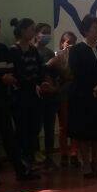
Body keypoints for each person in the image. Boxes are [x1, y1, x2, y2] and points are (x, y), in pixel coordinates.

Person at [0, 15, 35, 185]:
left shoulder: (2, 48)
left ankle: (20, 170)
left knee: (9, 136)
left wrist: (10, 78)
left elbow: (11, 69)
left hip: (4, 99)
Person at [67, 15, 97, 177]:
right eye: (95, 27)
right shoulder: (76, 50)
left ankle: (96, 162)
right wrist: (95, 86)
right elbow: (77, 72)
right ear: (86, 30)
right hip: (83, 96)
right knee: (84, 132)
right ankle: (86, 164)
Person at [10, 18, 44, 172]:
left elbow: (40, 69)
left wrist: (42, 82)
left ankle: (30, 160)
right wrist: (32, 83)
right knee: (22, 130)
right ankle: (22, 162)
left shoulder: (33, 50)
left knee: (34, 129)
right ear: (23, 30)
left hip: (34, 94)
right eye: (31, 29)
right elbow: (17, 73)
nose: (34, 32)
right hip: (20, 96)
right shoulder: (14, 50)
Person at [33, 22, 60, 167]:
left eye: (49, 32)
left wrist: (54, 88)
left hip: (51, 96)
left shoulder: (50, 53)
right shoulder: (31, 51)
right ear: (36, 33)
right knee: (35, 128)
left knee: (49, 127)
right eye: (44, 32)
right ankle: (37, 156)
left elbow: (55, 75)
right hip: (37, 96)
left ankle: (49, 156)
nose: (47, 35)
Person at [52, 31, 80, 167]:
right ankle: (64, 153)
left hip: (76, 92)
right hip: (63, 93)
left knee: (75, 123)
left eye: (73, 42)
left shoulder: (78, 56)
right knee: (63, 125)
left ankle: (74, 153)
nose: (71, 45)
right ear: (62, 43)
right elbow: (59, 74)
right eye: (68, 42)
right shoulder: (57, 56)